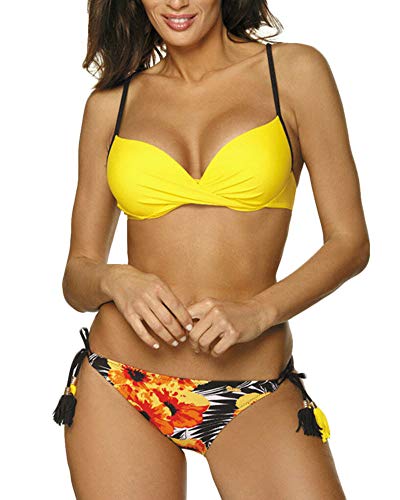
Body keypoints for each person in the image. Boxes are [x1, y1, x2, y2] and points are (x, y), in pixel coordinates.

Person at [53, 1, 369, 498]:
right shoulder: (110, 104)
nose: (176, 2)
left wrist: (259, 312)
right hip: (121, 381)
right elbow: (77, 276)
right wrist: (116, 279)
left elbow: (350, 243)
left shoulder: (293, 73)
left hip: (253, 386)